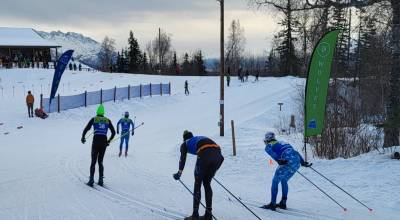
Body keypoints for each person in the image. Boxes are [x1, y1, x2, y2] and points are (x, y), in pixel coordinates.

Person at [173, 131, 224, 220]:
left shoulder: (185, 143)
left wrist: (179, 173)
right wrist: (209, 172)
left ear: (184, 138)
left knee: (197, 184)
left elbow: (182, 158)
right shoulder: (197, 138)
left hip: (205, 153)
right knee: (207, 183)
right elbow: (219, 156)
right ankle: (208, 215)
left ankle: (195, 215)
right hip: (218, 154)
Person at [262, 132, 312, 211]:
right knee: (284, 180)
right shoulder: (282, 142)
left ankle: (273, 204)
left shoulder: (269, 145)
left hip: (286, 161)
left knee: (275, 182)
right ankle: (283, 203)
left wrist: (278, 160)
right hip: (296, 162)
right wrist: (302, 162)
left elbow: (270, 152)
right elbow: (296, 152)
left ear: (267, 139)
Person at [81, 104, 116, 187]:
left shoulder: (94, 119)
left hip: (96, 141)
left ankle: (91, 180)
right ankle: (100, 180)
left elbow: (86, 129)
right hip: (104, 142)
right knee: (100, 161)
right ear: (103, 112)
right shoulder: (107, 120)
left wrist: (83, 137)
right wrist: (109, 141)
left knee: (93, 161)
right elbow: (113, 132)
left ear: (97, 111)